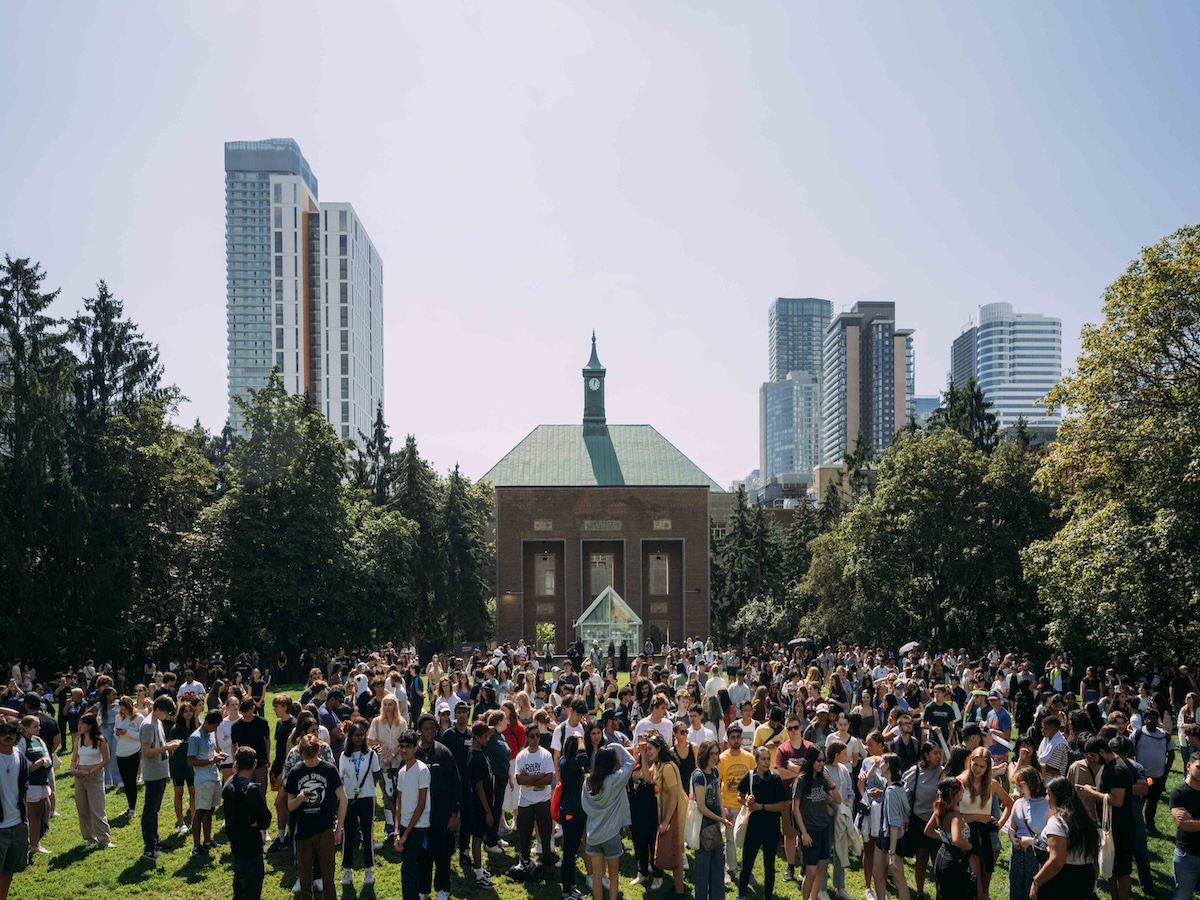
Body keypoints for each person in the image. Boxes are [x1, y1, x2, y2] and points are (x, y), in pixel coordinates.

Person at [287, 733, 348, 900]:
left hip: (325, 830)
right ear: (301, 753)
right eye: (307, 756)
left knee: (328, 877)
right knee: (305, 877)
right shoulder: (295, 772)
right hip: (303, 832)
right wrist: (300, 798)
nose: (310, 760)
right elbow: (289, 805)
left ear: (319, 750)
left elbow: (343, 799)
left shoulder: (328, 770)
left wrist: (338, 828)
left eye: (312, 756)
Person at [1076, 736, 1134, 900]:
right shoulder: (1108, 766)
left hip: (1120, 828)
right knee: (1110, 868)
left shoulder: (1117, 769)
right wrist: (1091, 789)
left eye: (1092, 756)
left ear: (1102, 751)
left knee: (1122, 872)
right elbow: (1108, 790)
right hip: (1110, 827)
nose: (1091, 761)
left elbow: (1117, 800)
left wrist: (1092, 793)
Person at [414, 712, 461, 900]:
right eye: (426, 728)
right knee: (423, 856)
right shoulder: (414, 753)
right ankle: (423, 890)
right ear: (419, 731)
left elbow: (456, 784)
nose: (430, 732)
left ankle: (442, 888)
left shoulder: (443, 752)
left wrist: (454, 813)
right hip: (421, 817)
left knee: (443, 855)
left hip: (442, 815)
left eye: (432, 728)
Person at [581, 743, 635, 900]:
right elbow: (630, 761)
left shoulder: (587, 782)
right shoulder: (615, 780)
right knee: (613, 876)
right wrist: (616, 745)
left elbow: (585, 807)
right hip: (611, 835)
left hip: (593, 835)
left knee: (597, 877)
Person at [958, 745, 1012, 900]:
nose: (978, 769)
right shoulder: (960, 781)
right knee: (973, 885)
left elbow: (1009, 804)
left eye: (982, 766)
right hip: (967, 834)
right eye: (975, 764)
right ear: (970, 762)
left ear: (988, 767)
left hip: (988, 835)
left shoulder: (992, 784)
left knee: (985, 883)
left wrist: (1000, 824)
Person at [1031, 776, 1099, 898]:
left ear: (1057, 796)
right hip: (1086, 877)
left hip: (1062, 881)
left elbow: (1057, 861)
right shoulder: (1086, 820)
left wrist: (1037, 881)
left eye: (1048, 795)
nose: (1046, 798)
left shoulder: (1058, 822)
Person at [736, 745, 788, 900]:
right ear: (756, 760)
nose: (766, 762)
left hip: (771, 826)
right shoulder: (750, 776)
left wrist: (762, 807)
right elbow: (740, 795)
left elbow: (782, 804)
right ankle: (740, 894)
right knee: (747, 861)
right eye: (763, 759)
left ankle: (768, 896)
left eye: (768, 759)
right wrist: (746, 800)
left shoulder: (775, 779)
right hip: (753, 825)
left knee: (769, 864)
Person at [792, 744, 841, 900]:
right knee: (811, 871)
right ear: (811, 760)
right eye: (818, 760)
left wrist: (831, 783)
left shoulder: (822, 778)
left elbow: (838, 801)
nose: (821, 764)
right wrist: (804, 833)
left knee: (820, 869)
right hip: (809, 830)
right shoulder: (801, 781)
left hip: (823, 828)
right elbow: (795, 809)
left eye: (823, 761)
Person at [222, 747, 272, 900]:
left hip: (236, 844)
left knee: (239, 887)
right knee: (252, 890)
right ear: (255, 763)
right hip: (251, 845)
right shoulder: (250, 790)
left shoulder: (229, 784)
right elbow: (266, 819)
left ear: (236, 763)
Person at [138, 695, 180, 860]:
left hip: (161, 772)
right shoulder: (148, 726)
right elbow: (146, 752)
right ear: (159, 710)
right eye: (166, 713)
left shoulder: (159, 723)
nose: (167, 716)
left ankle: (154, 840)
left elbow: (159, 746)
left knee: (155, 810)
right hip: (153, 774)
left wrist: (168, 745)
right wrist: (168, 747)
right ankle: (149, 848)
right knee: (150, 810)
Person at [338, 722, 380, 886]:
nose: (360, 738)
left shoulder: (371, 755)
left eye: (362, 735)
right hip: (348, 800)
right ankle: (347, 869)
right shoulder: (344, 756)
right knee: (348, 834)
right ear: (350, 737)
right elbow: (341, 778)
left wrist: (367, 788)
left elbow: (376, 775)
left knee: (367, 834)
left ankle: (368, 869)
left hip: (367, 798)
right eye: (356, 735)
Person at [646, 731, 687, 898]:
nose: (648, 752)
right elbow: (647, 777)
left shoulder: (668, 767)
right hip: (668, 811)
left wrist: (666, 821)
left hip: (676, 812)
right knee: (674, 851)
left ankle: (680, 892)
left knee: (676, 853)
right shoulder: (657, 765)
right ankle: (679, 888)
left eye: (650, 749)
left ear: (659, 749)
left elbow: (674, 796)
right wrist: (642, 756)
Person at [393, 729, 431, 900]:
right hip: (404, 826)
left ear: (415, 748)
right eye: (401, 746)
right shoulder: (401, 772)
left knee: (407, 868)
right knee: (409, 869)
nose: (403, 750)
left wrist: (406, 834)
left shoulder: (422, 770)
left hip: (418, 826)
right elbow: (399, 804)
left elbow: (421, 805)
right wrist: (396, 833)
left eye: (407, 746)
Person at [693, 738, 733, 900]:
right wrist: (721, 819)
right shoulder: (699, 776)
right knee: (703, 870)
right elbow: (701, 807)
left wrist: (723, 817)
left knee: (717, 867)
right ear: (704, 754)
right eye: (712, 754)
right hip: (703, 827)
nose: (716, 757)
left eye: (717, 753)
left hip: (715, 825)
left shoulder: (715, 771)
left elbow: (718, 796)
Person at [922, 778, 974, 900]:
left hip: (941, 856)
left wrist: (945, 837)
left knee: (942, 894)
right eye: (961, 790)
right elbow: (957, 840)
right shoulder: (956, 817)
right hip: (954, 861)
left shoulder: (939, 812)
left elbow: (928, 831)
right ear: (955, 794)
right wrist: (970, 847)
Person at [514, 725, 555, 877]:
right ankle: (525, 862)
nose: (536, 738)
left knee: (545, 834)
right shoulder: (521, 756)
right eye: (532, 736)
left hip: (543, 800)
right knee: (524, 835)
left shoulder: (545, 755)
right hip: (525, 801)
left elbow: (549, 779)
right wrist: (539, 777)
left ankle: (547, 865)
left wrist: (529, 780)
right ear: (527, 737)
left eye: (538, 735)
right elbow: (519, 779)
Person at [906, 741, 944, 900]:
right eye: (935, 753)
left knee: (938, 862)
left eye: (939, 753)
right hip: (919, 822)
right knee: (921, 859)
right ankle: (920, 893)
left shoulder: (943, 772)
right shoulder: (915, 772)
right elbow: (906, 795)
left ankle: (940, 893)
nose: (938, 756)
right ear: (926, 755)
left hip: (936, 823)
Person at [1005, 766, 1049, 900]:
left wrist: (1030, 841)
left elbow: (1051, 838)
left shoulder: (1048, 806)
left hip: (1037, 856)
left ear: (1031, 784)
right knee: (1016, 889)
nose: (1018, 790)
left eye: (1020, 786)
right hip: (1018, 855)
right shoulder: (1018, 803)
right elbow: (1012, 827)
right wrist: (1013, 838)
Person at [871, 753, 910, 900]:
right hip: (884, 835)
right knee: (877, 873)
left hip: (893, 839)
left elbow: (894, 824)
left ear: (887, 766)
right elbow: (870, 777)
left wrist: (892, 853)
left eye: (881, 762)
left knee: (899, 880)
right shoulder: (891, 784)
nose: (880, 765)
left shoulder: (892, 792)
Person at [71, 712, 113, 849]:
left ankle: (104, 839)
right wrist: (74, 769)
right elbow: (74, 759)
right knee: (82, 808)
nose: (79, 726)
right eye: (79, 724)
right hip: (80, 776)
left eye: (82, 724)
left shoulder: (100, 740)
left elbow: (106, 760)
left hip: (94, 776)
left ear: (89, 726)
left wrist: (90, 771)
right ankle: (89, 837)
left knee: (97, 808)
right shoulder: (78, 740)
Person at [188, 709, 226, 856]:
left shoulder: (210, 734)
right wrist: (212, 760)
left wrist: (218, 755)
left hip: (214, 776)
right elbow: (190, 761)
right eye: (214, 726)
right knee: (200, 812)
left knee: (210, 810)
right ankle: (196, 846)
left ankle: (208, 841)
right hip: (203, 780)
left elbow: (209, 753)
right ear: (208, 723)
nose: (215, 729)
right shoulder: (195, 737)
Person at [0, 719, 30, 900]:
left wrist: (23, 818)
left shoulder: (20, 758)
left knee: (9, 870)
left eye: (11, 732)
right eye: (2, 732)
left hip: (17, 824)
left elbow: (23, 790)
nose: (7, 736)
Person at [718, 723, 752, 883]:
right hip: (729, 805)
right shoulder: (722, 758)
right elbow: (717, 784)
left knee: (748, 841)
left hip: (746, 806)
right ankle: (730, 869)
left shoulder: (749, 758)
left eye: (738, 737)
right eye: (733, 737)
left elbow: (754, 782)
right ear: (729, 739)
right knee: (730, 840)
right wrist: (723, 807)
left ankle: (747, 870)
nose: (736, 740)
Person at [559, 733, 589, 900]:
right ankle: (566, 892)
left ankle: (570, 886)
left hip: (570, 811)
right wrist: (581, 741)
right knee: (569, 853)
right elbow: (584, 756)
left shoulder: (564, 761)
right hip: (573, 813)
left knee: (570, 852)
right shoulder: (572, 762)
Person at [1170, 752, 1200, 900]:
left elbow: (1190, 824)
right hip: (1188, 854)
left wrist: (1194, 822)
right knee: (1182, 896)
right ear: (1189, 766)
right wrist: (1189, 823)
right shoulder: (1179, 793)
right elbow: (1184, 825)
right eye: (1199, 767)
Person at [169, 699, 199, 835]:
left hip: (192, 765)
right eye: (185, 711)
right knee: (179, 793)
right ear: (181, 714)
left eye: (190, 711)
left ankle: (194, 819)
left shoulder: (196, 727)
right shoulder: (175, 729)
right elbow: (170, 748)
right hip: (179, 765)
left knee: (193, 792)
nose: (188, 713)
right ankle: (180, 823)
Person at [113, 696, 143, 817]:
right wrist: (117, 733)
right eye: (122, 709)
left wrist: (127, 732)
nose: (124, 712)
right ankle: (129, 805)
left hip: (133, 752)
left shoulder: (139, 718)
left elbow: (142, 735)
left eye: (125, 709)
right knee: (126, 781)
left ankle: (132, 807)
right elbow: (116, 735)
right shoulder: (118, 717)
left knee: (131, 781)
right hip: (120, 752)